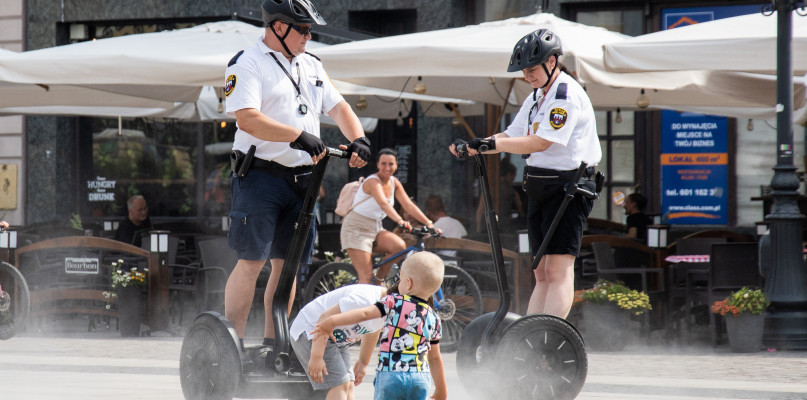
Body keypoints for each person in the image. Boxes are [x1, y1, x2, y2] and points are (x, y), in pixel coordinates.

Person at [222, 0, 372, 353]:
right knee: (251, 261)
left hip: (303, 179)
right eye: (302, 30)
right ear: (278, 27)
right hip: (259, 177)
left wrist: (359, 139)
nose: (309, 36)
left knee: (286, 264)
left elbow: (339, 107)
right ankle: (232, 345)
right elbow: (246, 118)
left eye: (310, 31)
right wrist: (295, 134)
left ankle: (274, 346)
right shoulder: (247, 63)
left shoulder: (312, 64)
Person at [449, 29, 601, 319]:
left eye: (531, 69)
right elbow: (512, 133)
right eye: (524, 71)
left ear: (553, 61)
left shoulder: (564, 96)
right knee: (541, 270)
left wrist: (492, 145)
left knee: (557, 268)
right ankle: (531, 333)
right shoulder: (537, 96)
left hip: (568, 187)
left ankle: (548, 335)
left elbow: (542, 141)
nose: (527, 76)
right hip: (540, 185)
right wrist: (477, 146)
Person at [311, 251, 447, 400]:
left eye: (400, 280)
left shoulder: (393, 301)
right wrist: (441, 389)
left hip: (390, 374)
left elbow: (364, 314)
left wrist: (332, 321)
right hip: (420, 378)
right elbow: (434, 358)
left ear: (408, 283)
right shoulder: (434, 318)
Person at [340, 148, 438, 285]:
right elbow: (383, 204)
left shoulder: (394, 182)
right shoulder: (373, 181)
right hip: (356, 227)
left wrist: (429, 223)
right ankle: (363, 299)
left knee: (398, 246)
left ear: (396, 165)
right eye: (383, 164)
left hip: (375, 227)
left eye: (391, 164)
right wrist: (400, 221)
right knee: (365, 277)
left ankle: (379, 281)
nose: (387, 168)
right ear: (378, 165)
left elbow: (408, 205)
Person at [290, 283, 386, 399]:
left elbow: (373, 330)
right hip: (311, 331)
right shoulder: (364, 300)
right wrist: (317, 356)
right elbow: (324, 318)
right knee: (339, 384)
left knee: (349, 383)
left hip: (336, 339)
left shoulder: (390, 307)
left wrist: (363, 363)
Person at [474, 160, 523, 234]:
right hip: (506, 227)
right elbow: (520, 209)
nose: (513, 179)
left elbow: (480, 211)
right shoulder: (512, 191)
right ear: (509, 175)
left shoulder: (490, 189)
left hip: (488, 227)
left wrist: (478, 229)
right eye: (514, 176)